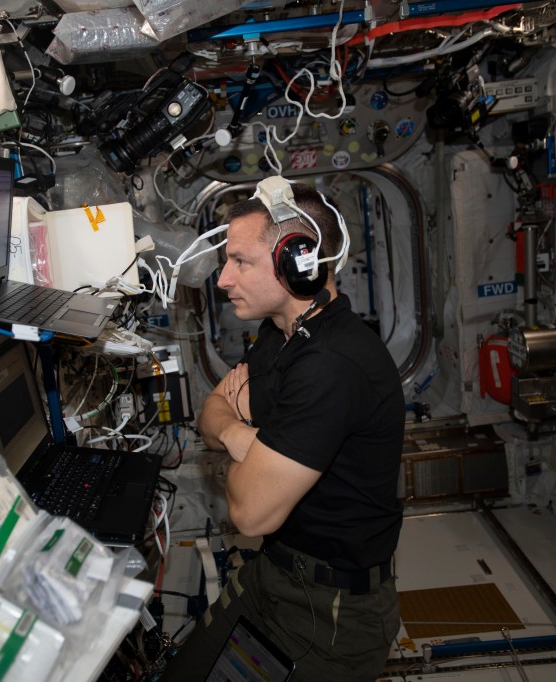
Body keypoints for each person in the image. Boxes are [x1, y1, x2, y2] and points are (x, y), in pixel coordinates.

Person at [161, 180, 405, 681]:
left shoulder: (332, 363)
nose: (223, 279)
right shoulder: (280, 336)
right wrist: (242, 438)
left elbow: (249, 513)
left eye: (240, 262)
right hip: (272, 573)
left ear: (299, 262)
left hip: (332, 613)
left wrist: (241, 432)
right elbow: (211, 413)